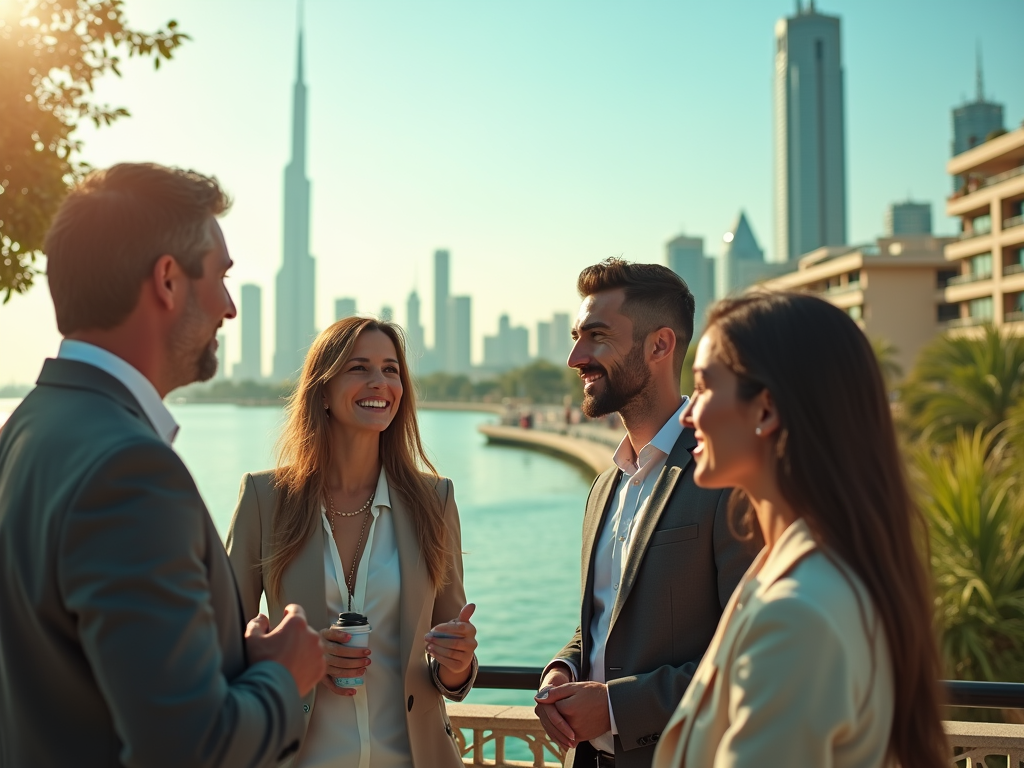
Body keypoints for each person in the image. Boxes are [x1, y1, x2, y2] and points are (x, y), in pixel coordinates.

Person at [0, 163, 325, 767]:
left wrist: (229, 661)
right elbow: (188, 748)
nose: (229, 308)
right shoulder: (129, 470)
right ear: (168, 281)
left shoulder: (23, 432)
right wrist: (284, 677)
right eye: (221, 277)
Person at [652, 292, 948, 768]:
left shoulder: (797, 612)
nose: (688, 414)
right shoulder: (801, 569)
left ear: (765, 410)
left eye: (705, 388)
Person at [226, 316, 478, 768]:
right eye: (359, 368)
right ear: (322, 389)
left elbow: (450, 655)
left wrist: (457, 663)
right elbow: (221, 644)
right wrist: (295, 660)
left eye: (391, 369)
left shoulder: (435, 500)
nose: (379, 382)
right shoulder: (264, 500)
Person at [534, 259, 757, 768]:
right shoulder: (602, 488)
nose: (575, 357)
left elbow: (752, 657)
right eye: (576, 335)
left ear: (659, 346)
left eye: (596, 336)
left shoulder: (725, 476)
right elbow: (603, 620)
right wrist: (564, 669)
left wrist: (615, 707)